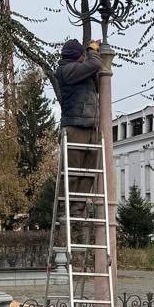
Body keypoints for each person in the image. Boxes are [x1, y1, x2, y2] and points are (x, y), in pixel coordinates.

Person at [54, 38, 102, 243]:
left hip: (90, 127)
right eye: (83, 54)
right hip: (75, 128)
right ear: (78, 56)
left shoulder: (79, 71)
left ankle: (77, 209)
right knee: (72, 173)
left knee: (89, 173)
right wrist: (93, 50)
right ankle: (66, 212)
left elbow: (96, 72)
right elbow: (95, 64)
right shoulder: (66, 70)